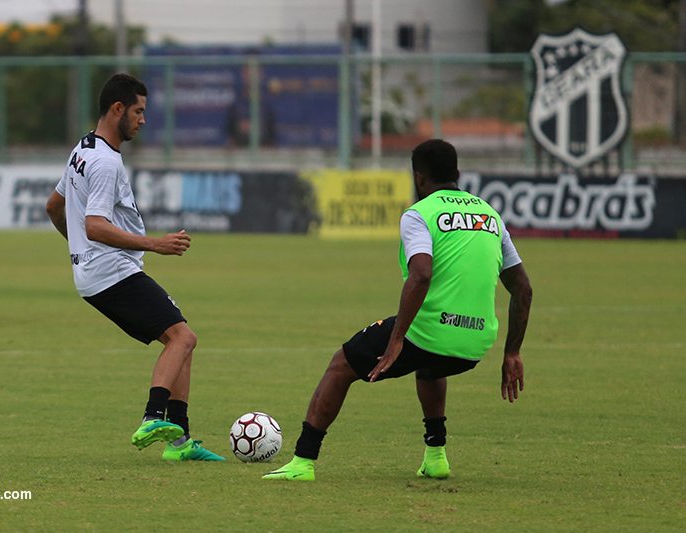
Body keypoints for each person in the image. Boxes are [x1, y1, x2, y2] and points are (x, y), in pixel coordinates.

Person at [264, 139, 532, 482]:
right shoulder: (490, 216)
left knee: (341, 366)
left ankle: (302, 461)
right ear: (457, 173)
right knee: (432, 365)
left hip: (428, 332)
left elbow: (420, 275)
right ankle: (436, 457)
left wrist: (396, 338)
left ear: (419, 178)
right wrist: (512, 352)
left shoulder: (419, 214)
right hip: (475, 343)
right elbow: (523, 287)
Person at [45, 73, 224, 461]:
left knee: (180, 340)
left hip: (95, 272)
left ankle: (181, 442)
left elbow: (53, 207)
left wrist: (77, 250)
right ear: (118, 109)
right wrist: (155, 244)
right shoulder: (106, 163)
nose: (143, 120)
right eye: (139, 111)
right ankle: (152, 418)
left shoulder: (84, 147)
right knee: (184, 339)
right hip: (111, 271)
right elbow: (95, 226)